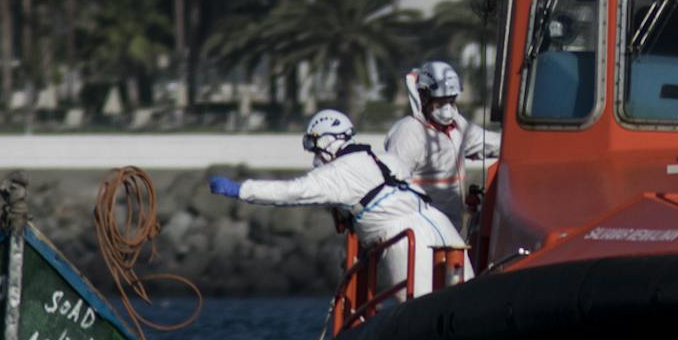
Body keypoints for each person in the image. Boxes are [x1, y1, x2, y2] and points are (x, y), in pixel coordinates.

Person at [209, 109, 467, 298]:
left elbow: (291, 192)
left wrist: (241, 189)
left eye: (314, 146)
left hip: (407, 241)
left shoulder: (337, 174)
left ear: (326, 141)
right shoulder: (384, 158)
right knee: (465, 294)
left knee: (419, 309)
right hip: (441, 225)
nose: (314, 155)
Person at [383, 59, 501, 229]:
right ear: (424, 97)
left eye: (451, 100)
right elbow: (393, 186)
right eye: (440, 101)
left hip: (451, 229)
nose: (446, 109)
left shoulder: (457, 126)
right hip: (421, 231)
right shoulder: (408, 133)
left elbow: (488, 143)